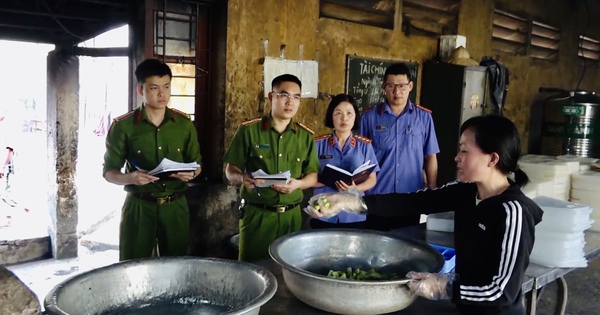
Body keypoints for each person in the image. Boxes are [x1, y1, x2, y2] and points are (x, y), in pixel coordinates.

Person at [308, 115, 544, 315]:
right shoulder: (466, 191)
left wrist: (445, 287)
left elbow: (501, 291)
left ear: (492, 159)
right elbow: (411, 202)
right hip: (465, 308)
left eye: (464, 151)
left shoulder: (512, 212)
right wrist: (351, 202)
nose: (456, 157)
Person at [103, 58, 202, 261]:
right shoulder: (124, 126)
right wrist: (131, 178)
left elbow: (197, 164)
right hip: (139, 207)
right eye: (154, 88)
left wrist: (191, 173)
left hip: (175, 207)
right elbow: (109, 172)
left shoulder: (184, 125)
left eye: (166, 87)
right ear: (141, 90)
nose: (162, 94)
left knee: (175, 267)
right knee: (132, 267)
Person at [223, 74, 320, 262]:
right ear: (271, 96)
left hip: (291, 216)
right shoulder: (249, 130)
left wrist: (297, 184)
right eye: (284, 95)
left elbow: (313, 177)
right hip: (257, 215)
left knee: (288, 270)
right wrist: (243, 178)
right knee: (252, 269)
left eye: (296, 97)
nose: (290, 102)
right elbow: (230, 169)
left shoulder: (305, 136)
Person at [359, 62, 440, 231]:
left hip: (411, 197)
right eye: (391, 86)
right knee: (375, 247)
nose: (397, 92)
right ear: (383, 87)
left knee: (408, 246)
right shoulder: (369, 117)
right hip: (378, 195)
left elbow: (430, 156)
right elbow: (361, 159)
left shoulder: (424, 118)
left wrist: (432, 191)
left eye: (402, 86)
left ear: (410, 86)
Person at [311, 94, 379, 229]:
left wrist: (354, 188)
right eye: (338, 113)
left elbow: (372, 179)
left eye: (349, 113)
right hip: (323, 211)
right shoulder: (317, 144)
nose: (344, 118)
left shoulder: (364, 145)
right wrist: (326, 180)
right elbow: (308, 176)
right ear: (331, 116)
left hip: (353, 212)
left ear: (355, 117)